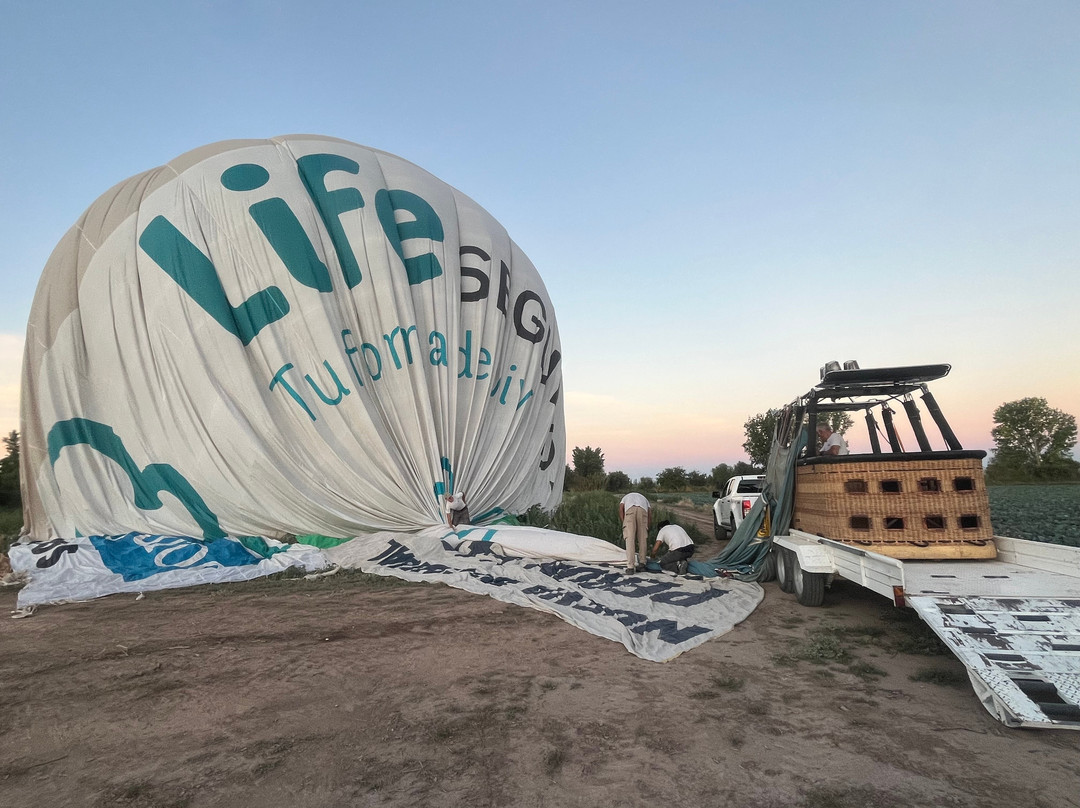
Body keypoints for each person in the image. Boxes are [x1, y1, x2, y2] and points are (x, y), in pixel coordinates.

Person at [617, 492, 651, 574]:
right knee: (642, 539)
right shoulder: (644, 498)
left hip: (630, 510)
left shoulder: (625, 497)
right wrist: (647, 527)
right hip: (643, 511)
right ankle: (642, 564)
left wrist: (624, 522)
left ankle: (630, 567)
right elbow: (650, 514)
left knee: (630, 539)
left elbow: (621, 509)